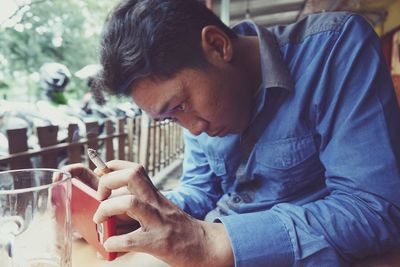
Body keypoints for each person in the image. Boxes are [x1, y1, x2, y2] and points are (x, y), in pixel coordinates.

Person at [64, 0, 400, 266]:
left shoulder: (333, 50)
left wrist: (212, 242)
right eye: (171, 118)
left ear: (218, 45)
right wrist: (139, 211)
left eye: (181, 105)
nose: (194, 128)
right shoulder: (200, 109)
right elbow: (200, 191)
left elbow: (376, 208)